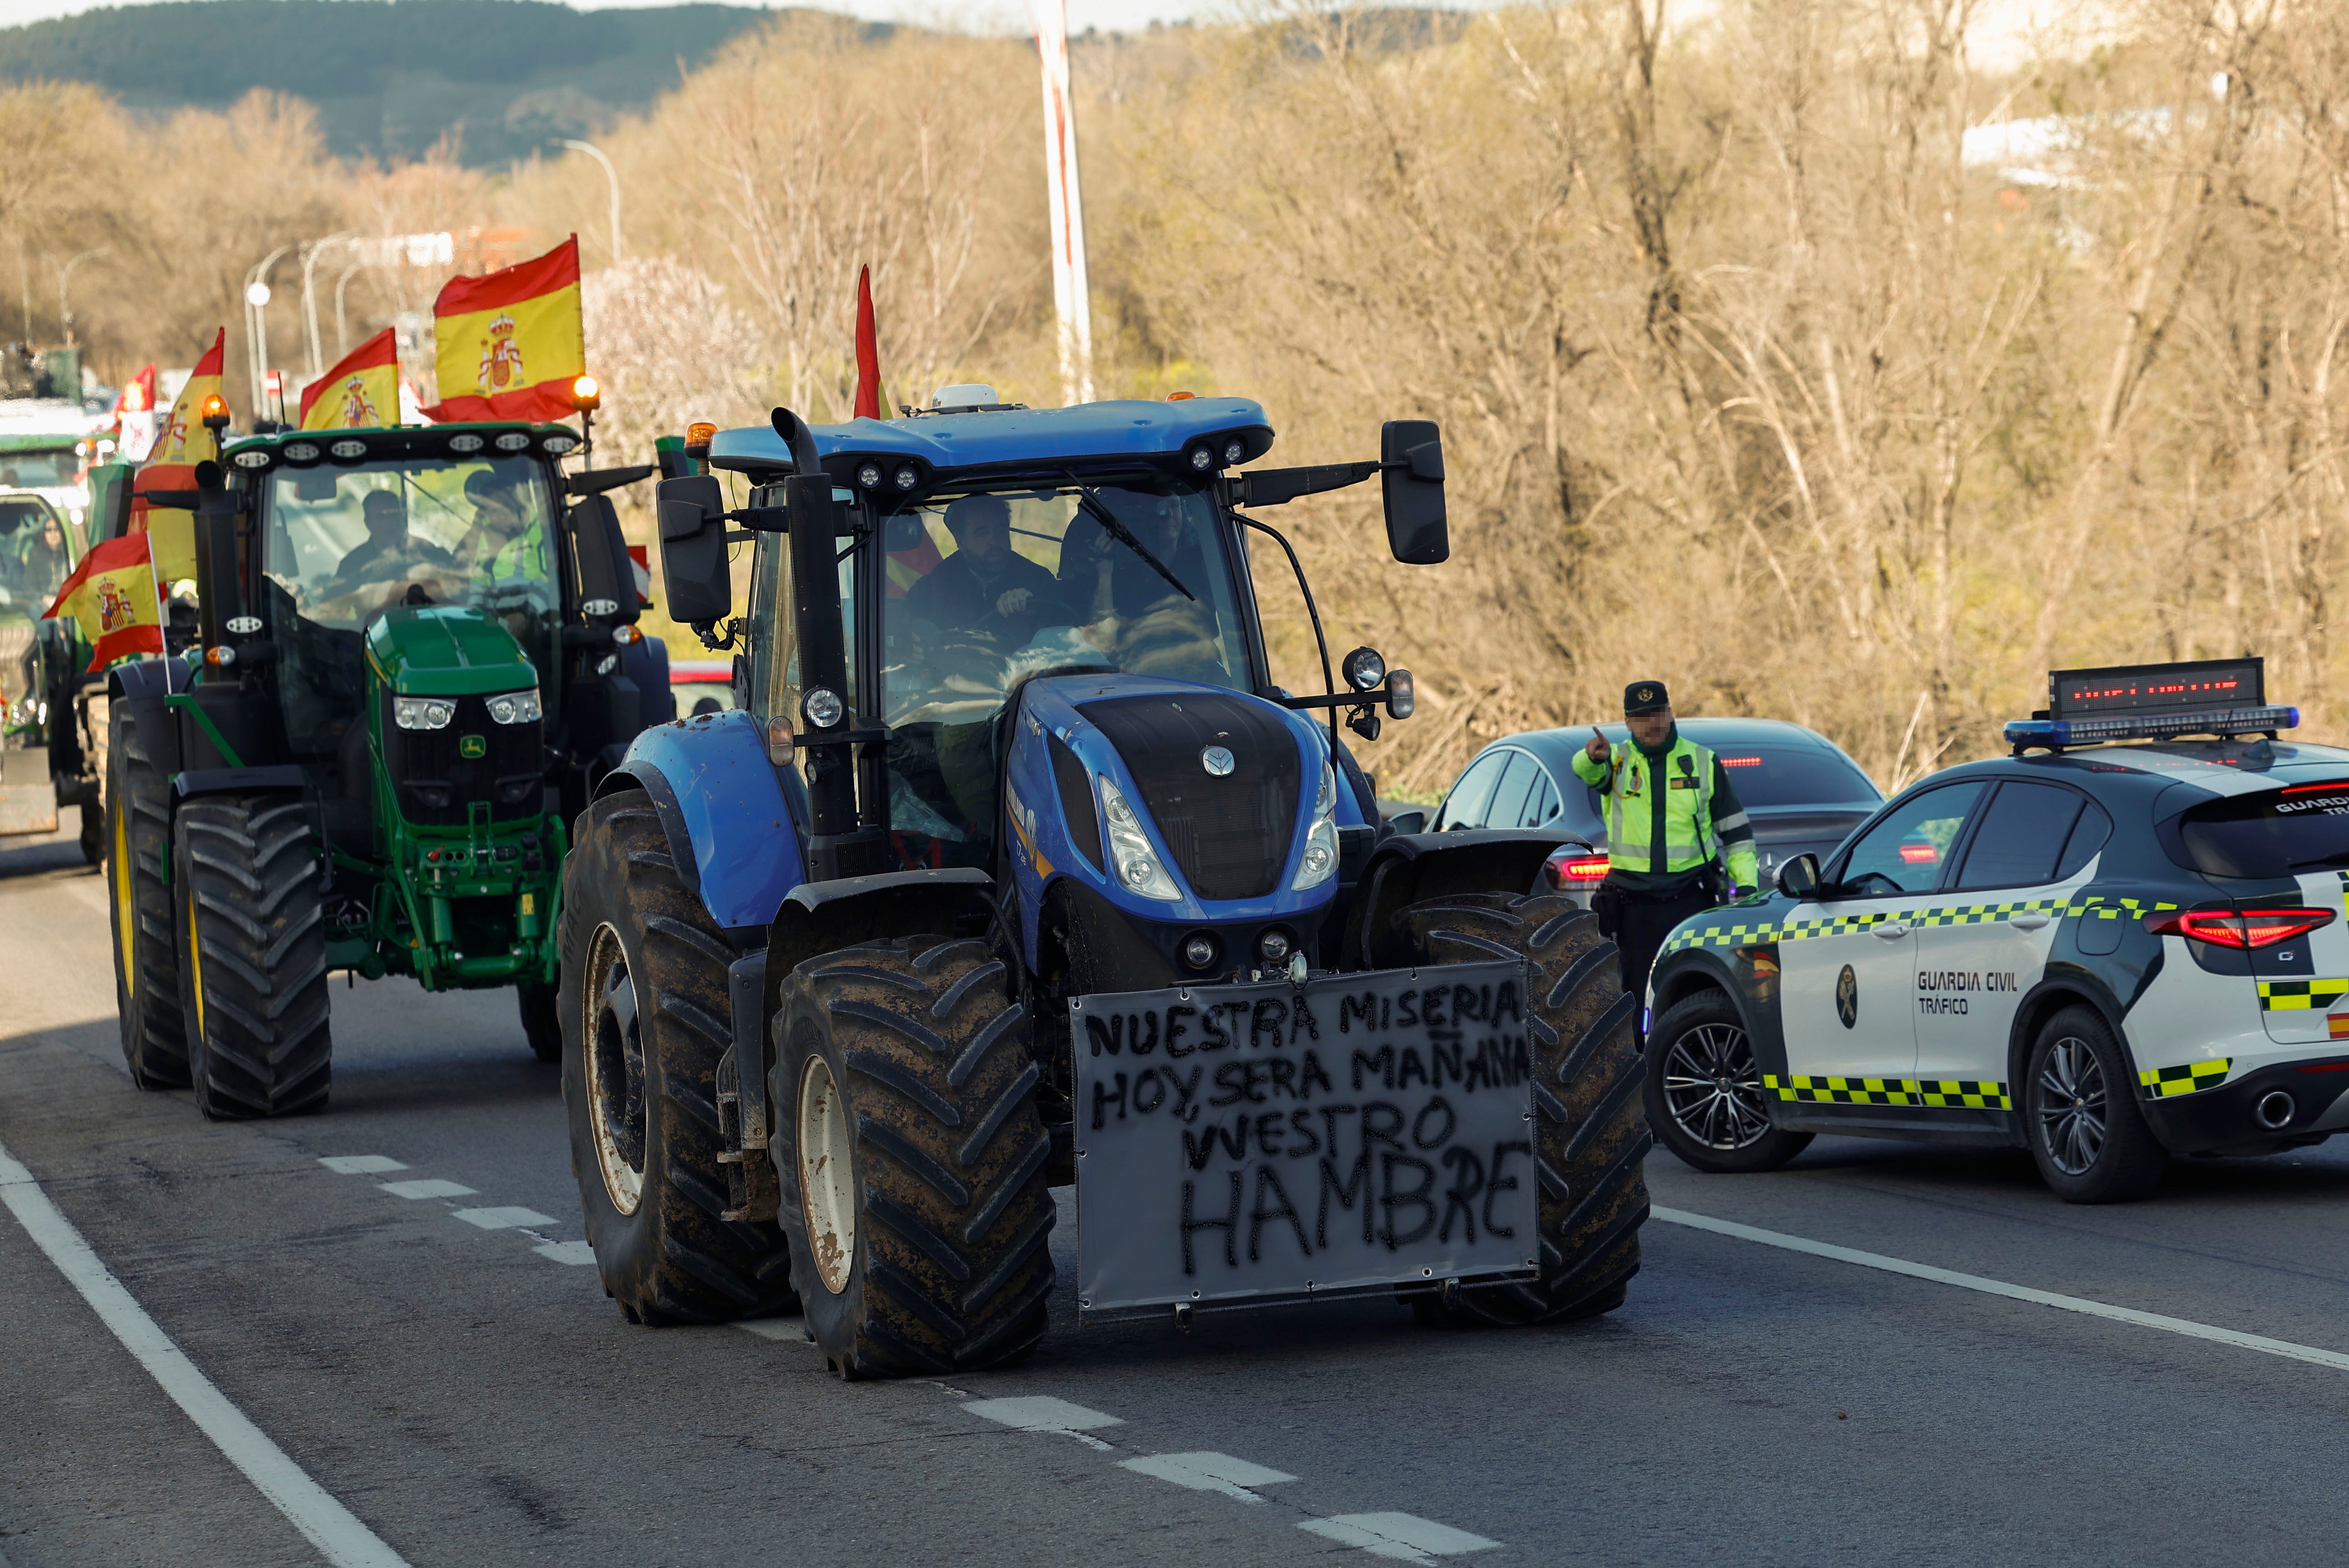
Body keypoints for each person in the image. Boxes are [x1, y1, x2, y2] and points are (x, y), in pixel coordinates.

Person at [1571, 680, 1759, 1009]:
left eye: (1659, 713)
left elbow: (1738, 835)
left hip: (1691, 899)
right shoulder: (1613, 762)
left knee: (1699, 988)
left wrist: (1746, 890)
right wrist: (1591, 757)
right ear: (1628, 722)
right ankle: (1644, 1059)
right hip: (1635, 906)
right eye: (1642, 717)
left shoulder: (1703, 761)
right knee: (1638, 996)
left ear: (1671, 714)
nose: (1653, 724)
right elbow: (1584, 770)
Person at [903, 494, 1059, 650]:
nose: (994, 540)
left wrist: (1032, 605)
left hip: (1025, 673)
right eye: (982, 533)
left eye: (1001, 530)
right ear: (961, 541)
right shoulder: (932, 588)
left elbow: (1061, 641)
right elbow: (909, 643)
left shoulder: (1038, 580)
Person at [325, 490, 450, 599]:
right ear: (368, 523)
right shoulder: (352, 565)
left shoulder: (429, 552)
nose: (390, 522)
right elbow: (332, 609)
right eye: (381, 517)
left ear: (402, 516)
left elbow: (459, 591)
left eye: (394, 514)